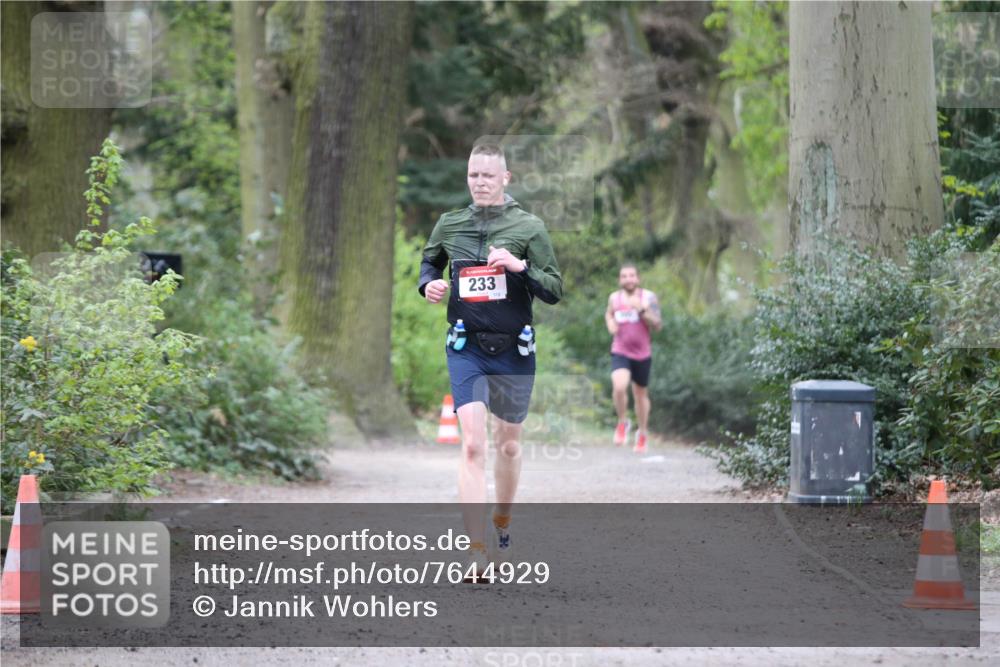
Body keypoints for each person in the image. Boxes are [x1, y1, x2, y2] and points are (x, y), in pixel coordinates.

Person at [419, 143, 562, 578]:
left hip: (515, 349)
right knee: (474, 444)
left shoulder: (529, 227)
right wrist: (428, 285)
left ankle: (502, 521)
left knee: (508, 443)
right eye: (473, 175)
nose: (479, 182)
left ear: (506, 178)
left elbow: (553, 288)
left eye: (487, 175)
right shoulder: (450, 223)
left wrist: (520, 267)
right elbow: (429, 264)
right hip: (467, 348)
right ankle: (476, 550)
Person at [605, 263, 661, 453]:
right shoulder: (615, 297)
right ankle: (622, 422)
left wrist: (642, 310)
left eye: (631, 275)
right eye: (624, 276)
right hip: (620, 349)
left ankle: (643, 433)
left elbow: (658, 325)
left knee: (640, 394)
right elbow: (609, 314)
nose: (628, 279)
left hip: (642, 353)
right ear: (620, 280)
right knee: (619, 386)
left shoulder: (648, 297)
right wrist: (610, 323)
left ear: (637, 278)